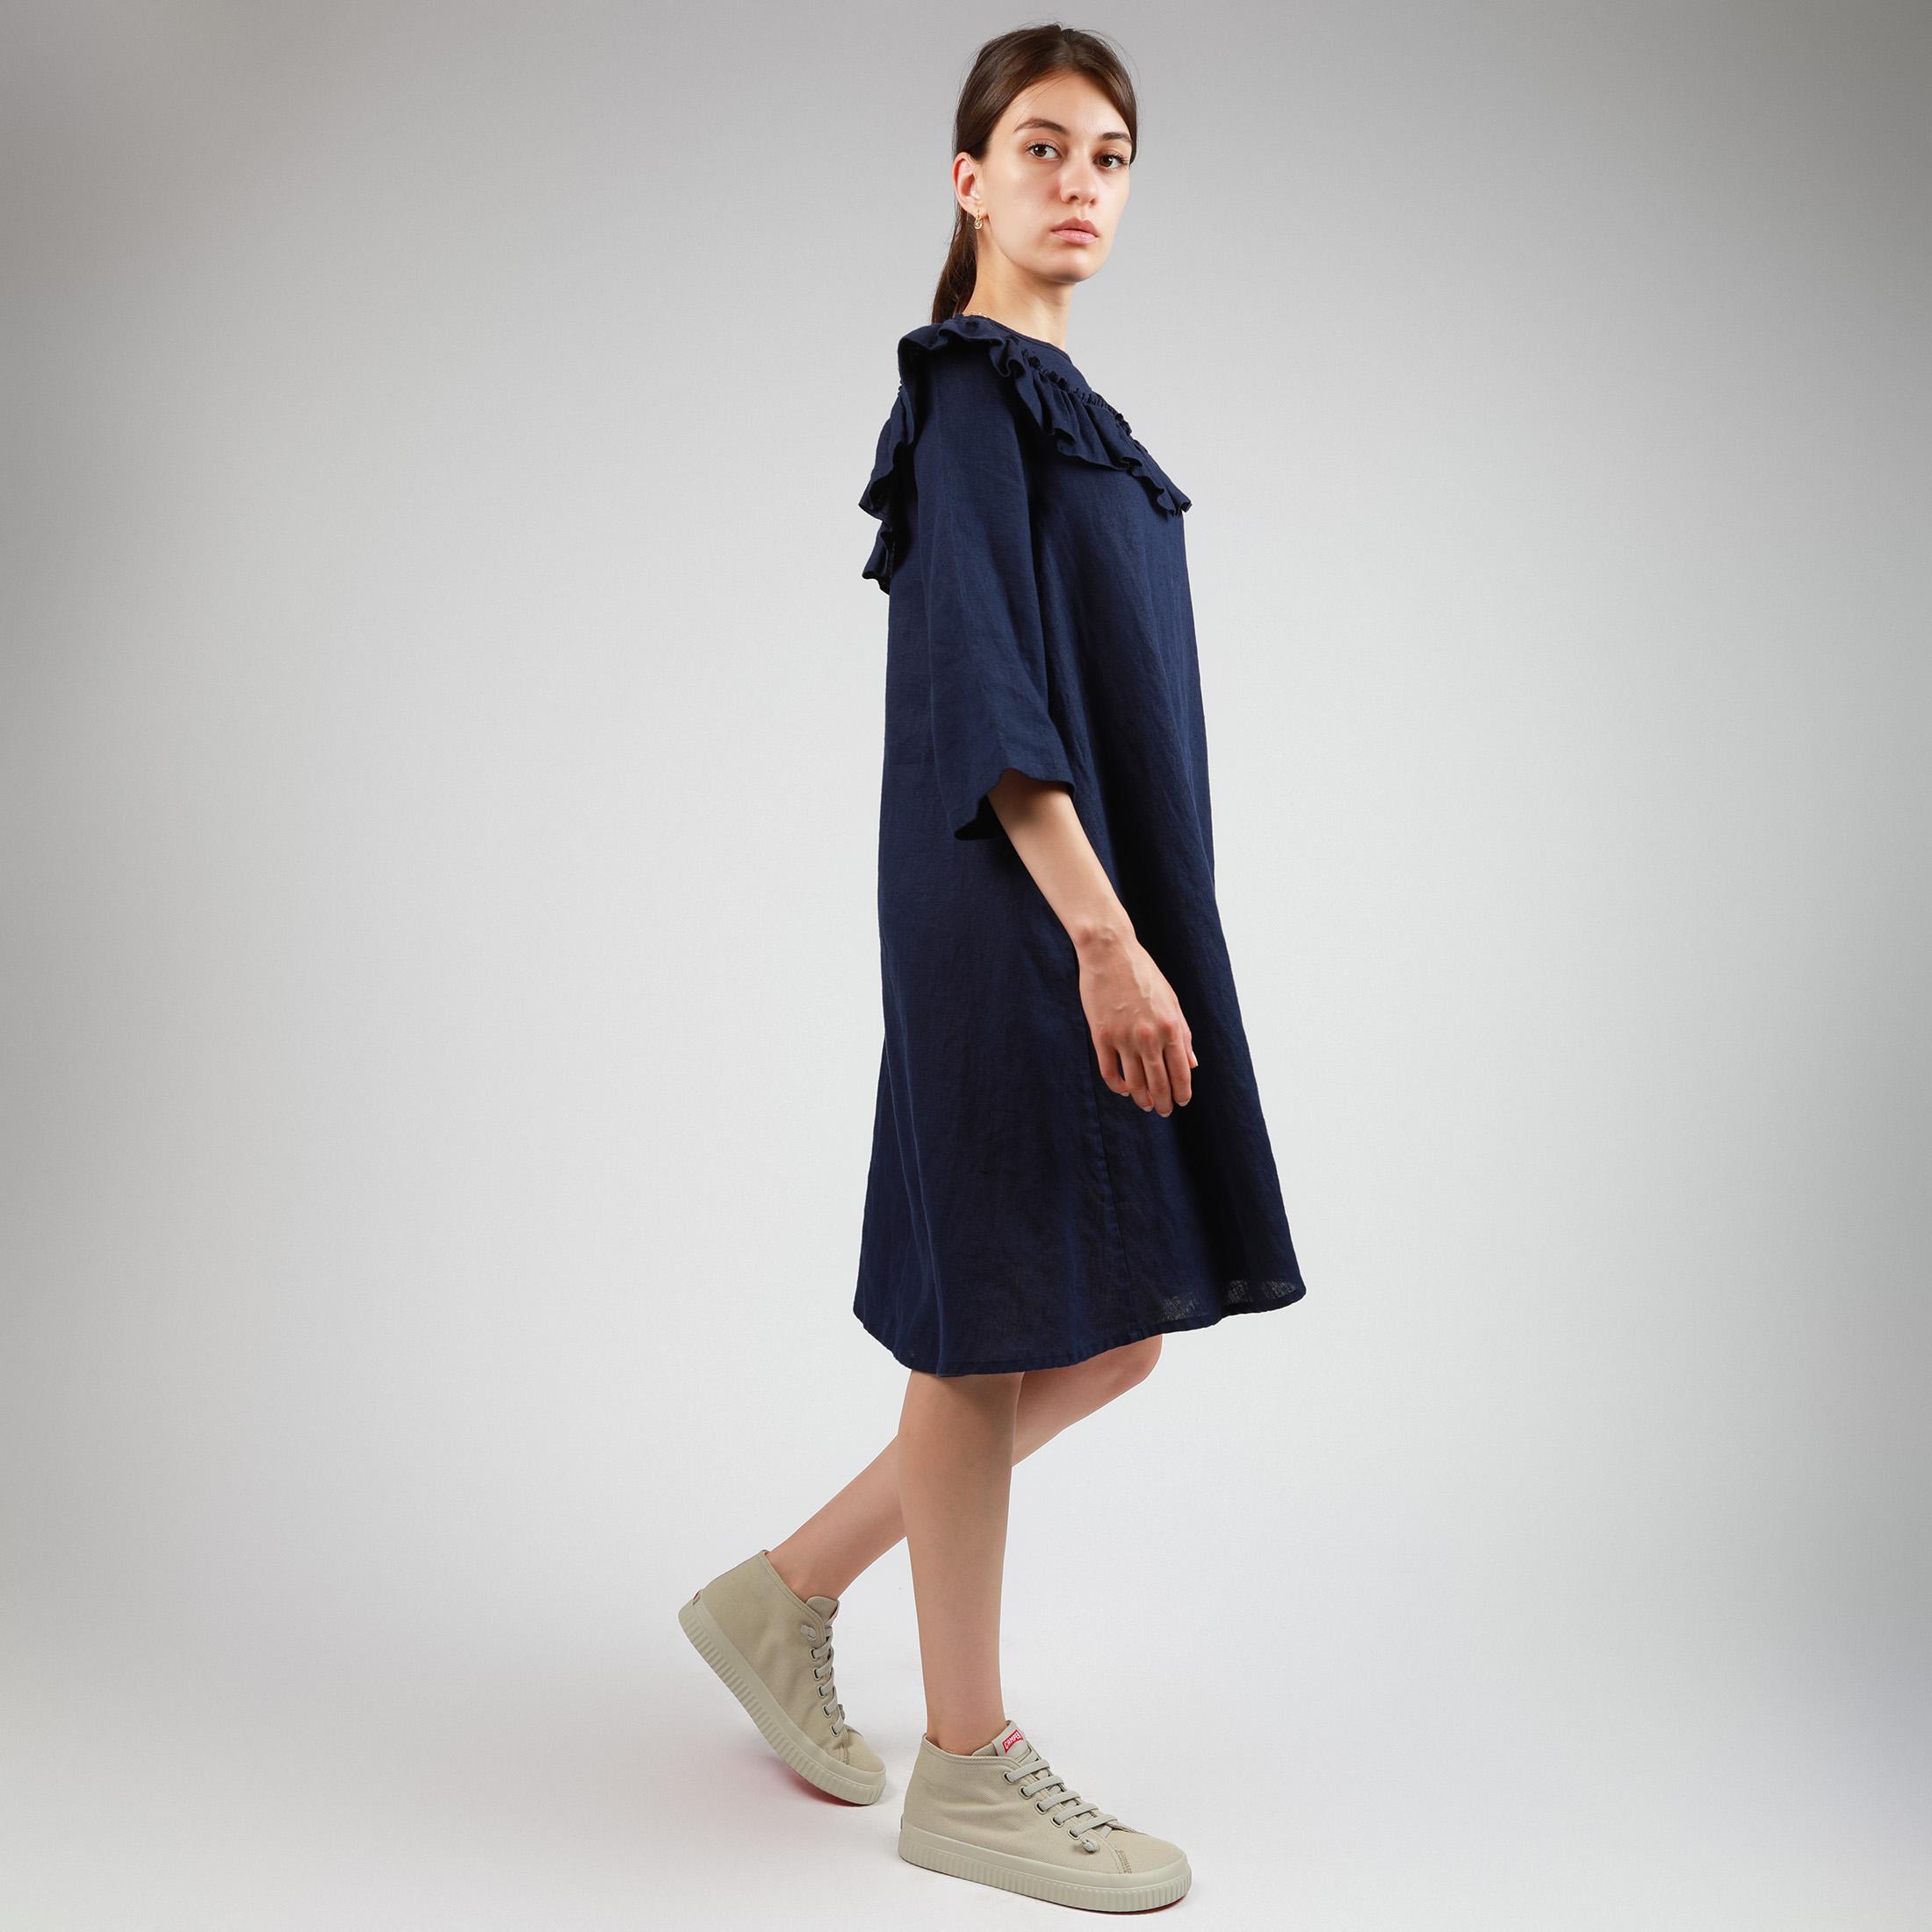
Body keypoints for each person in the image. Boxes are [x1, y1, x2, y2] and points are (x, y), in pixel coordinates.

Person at [680, 24, 1308, 1912]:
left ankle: (782, 1594)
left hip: (1087, 900)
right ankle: (967, 1763)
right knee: (998, 1320)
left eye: (1108, 155)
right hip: (1021, 909)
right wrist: (1102, 938)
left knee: (1112, 1323)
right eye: (1040, 147)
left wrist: (1133, 920)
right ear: (968, 179)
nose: (1077, 182)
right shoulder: (966, 389)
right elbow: (986, 692)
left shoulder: (1058, 396)